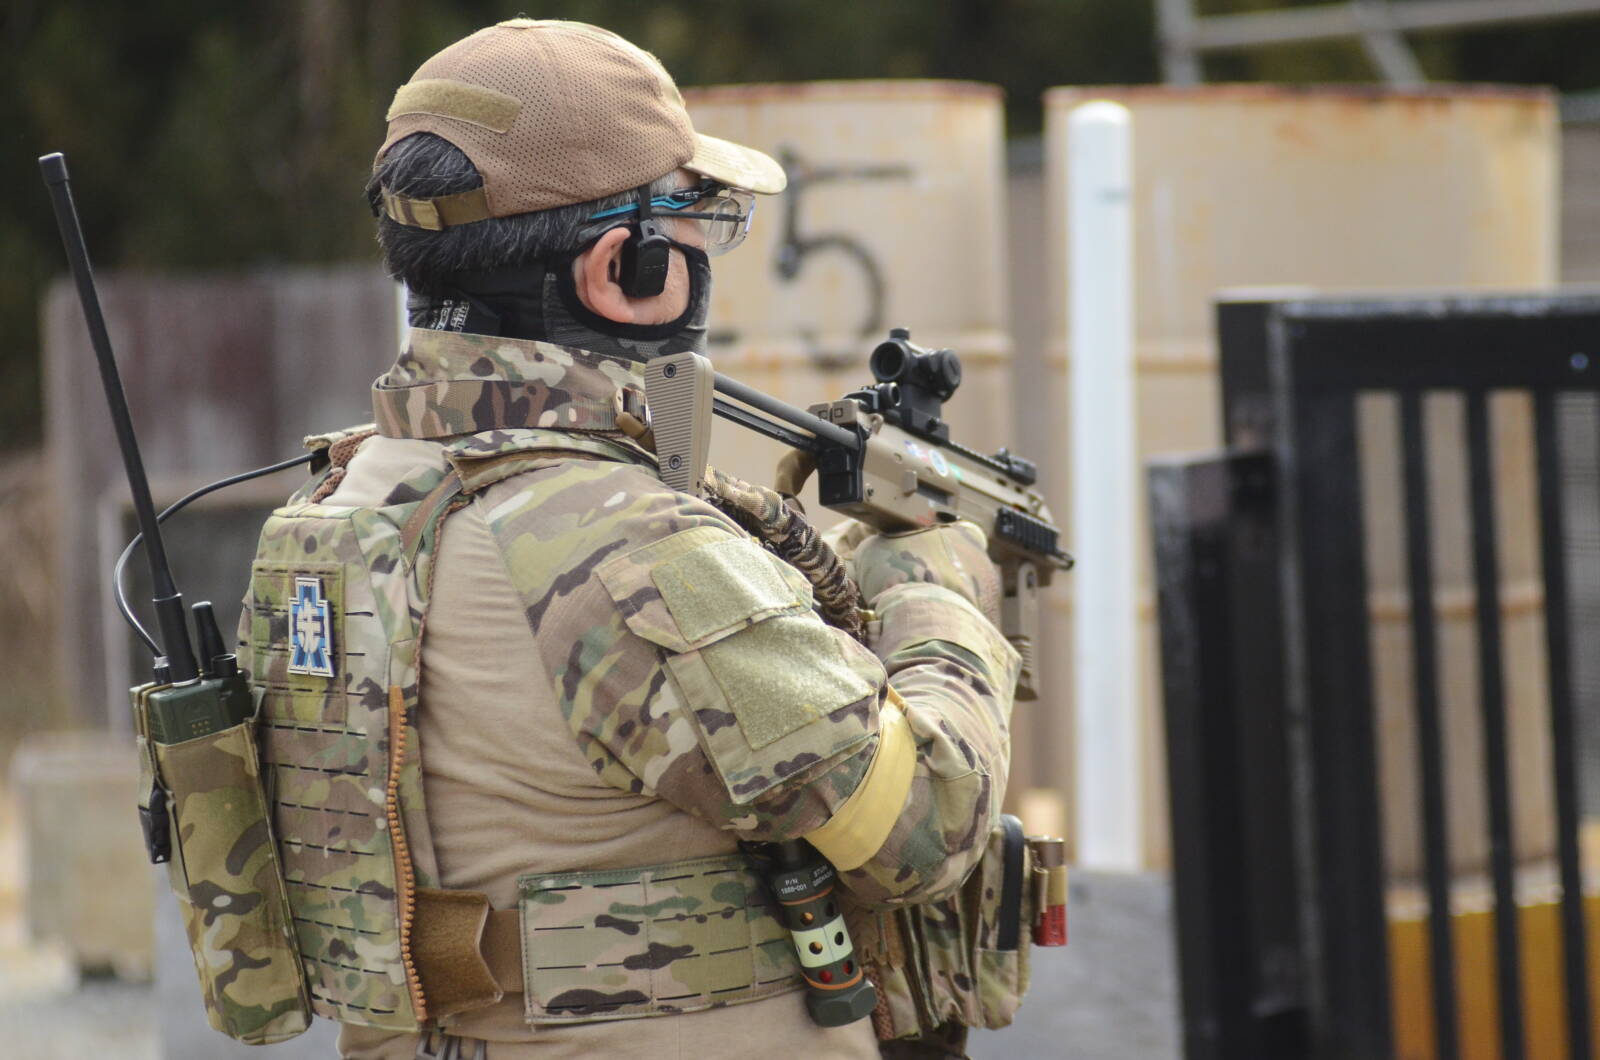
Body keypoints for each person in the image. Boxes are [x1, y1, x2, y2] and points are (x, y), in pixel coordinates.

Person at [237, 19, 1020, 1059]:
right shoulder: (627, 546)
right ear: (626, 267)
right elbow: (927, 827)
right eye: (697, 223)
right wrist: (934, 590)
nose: (704, 256)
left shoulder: (351, 499)